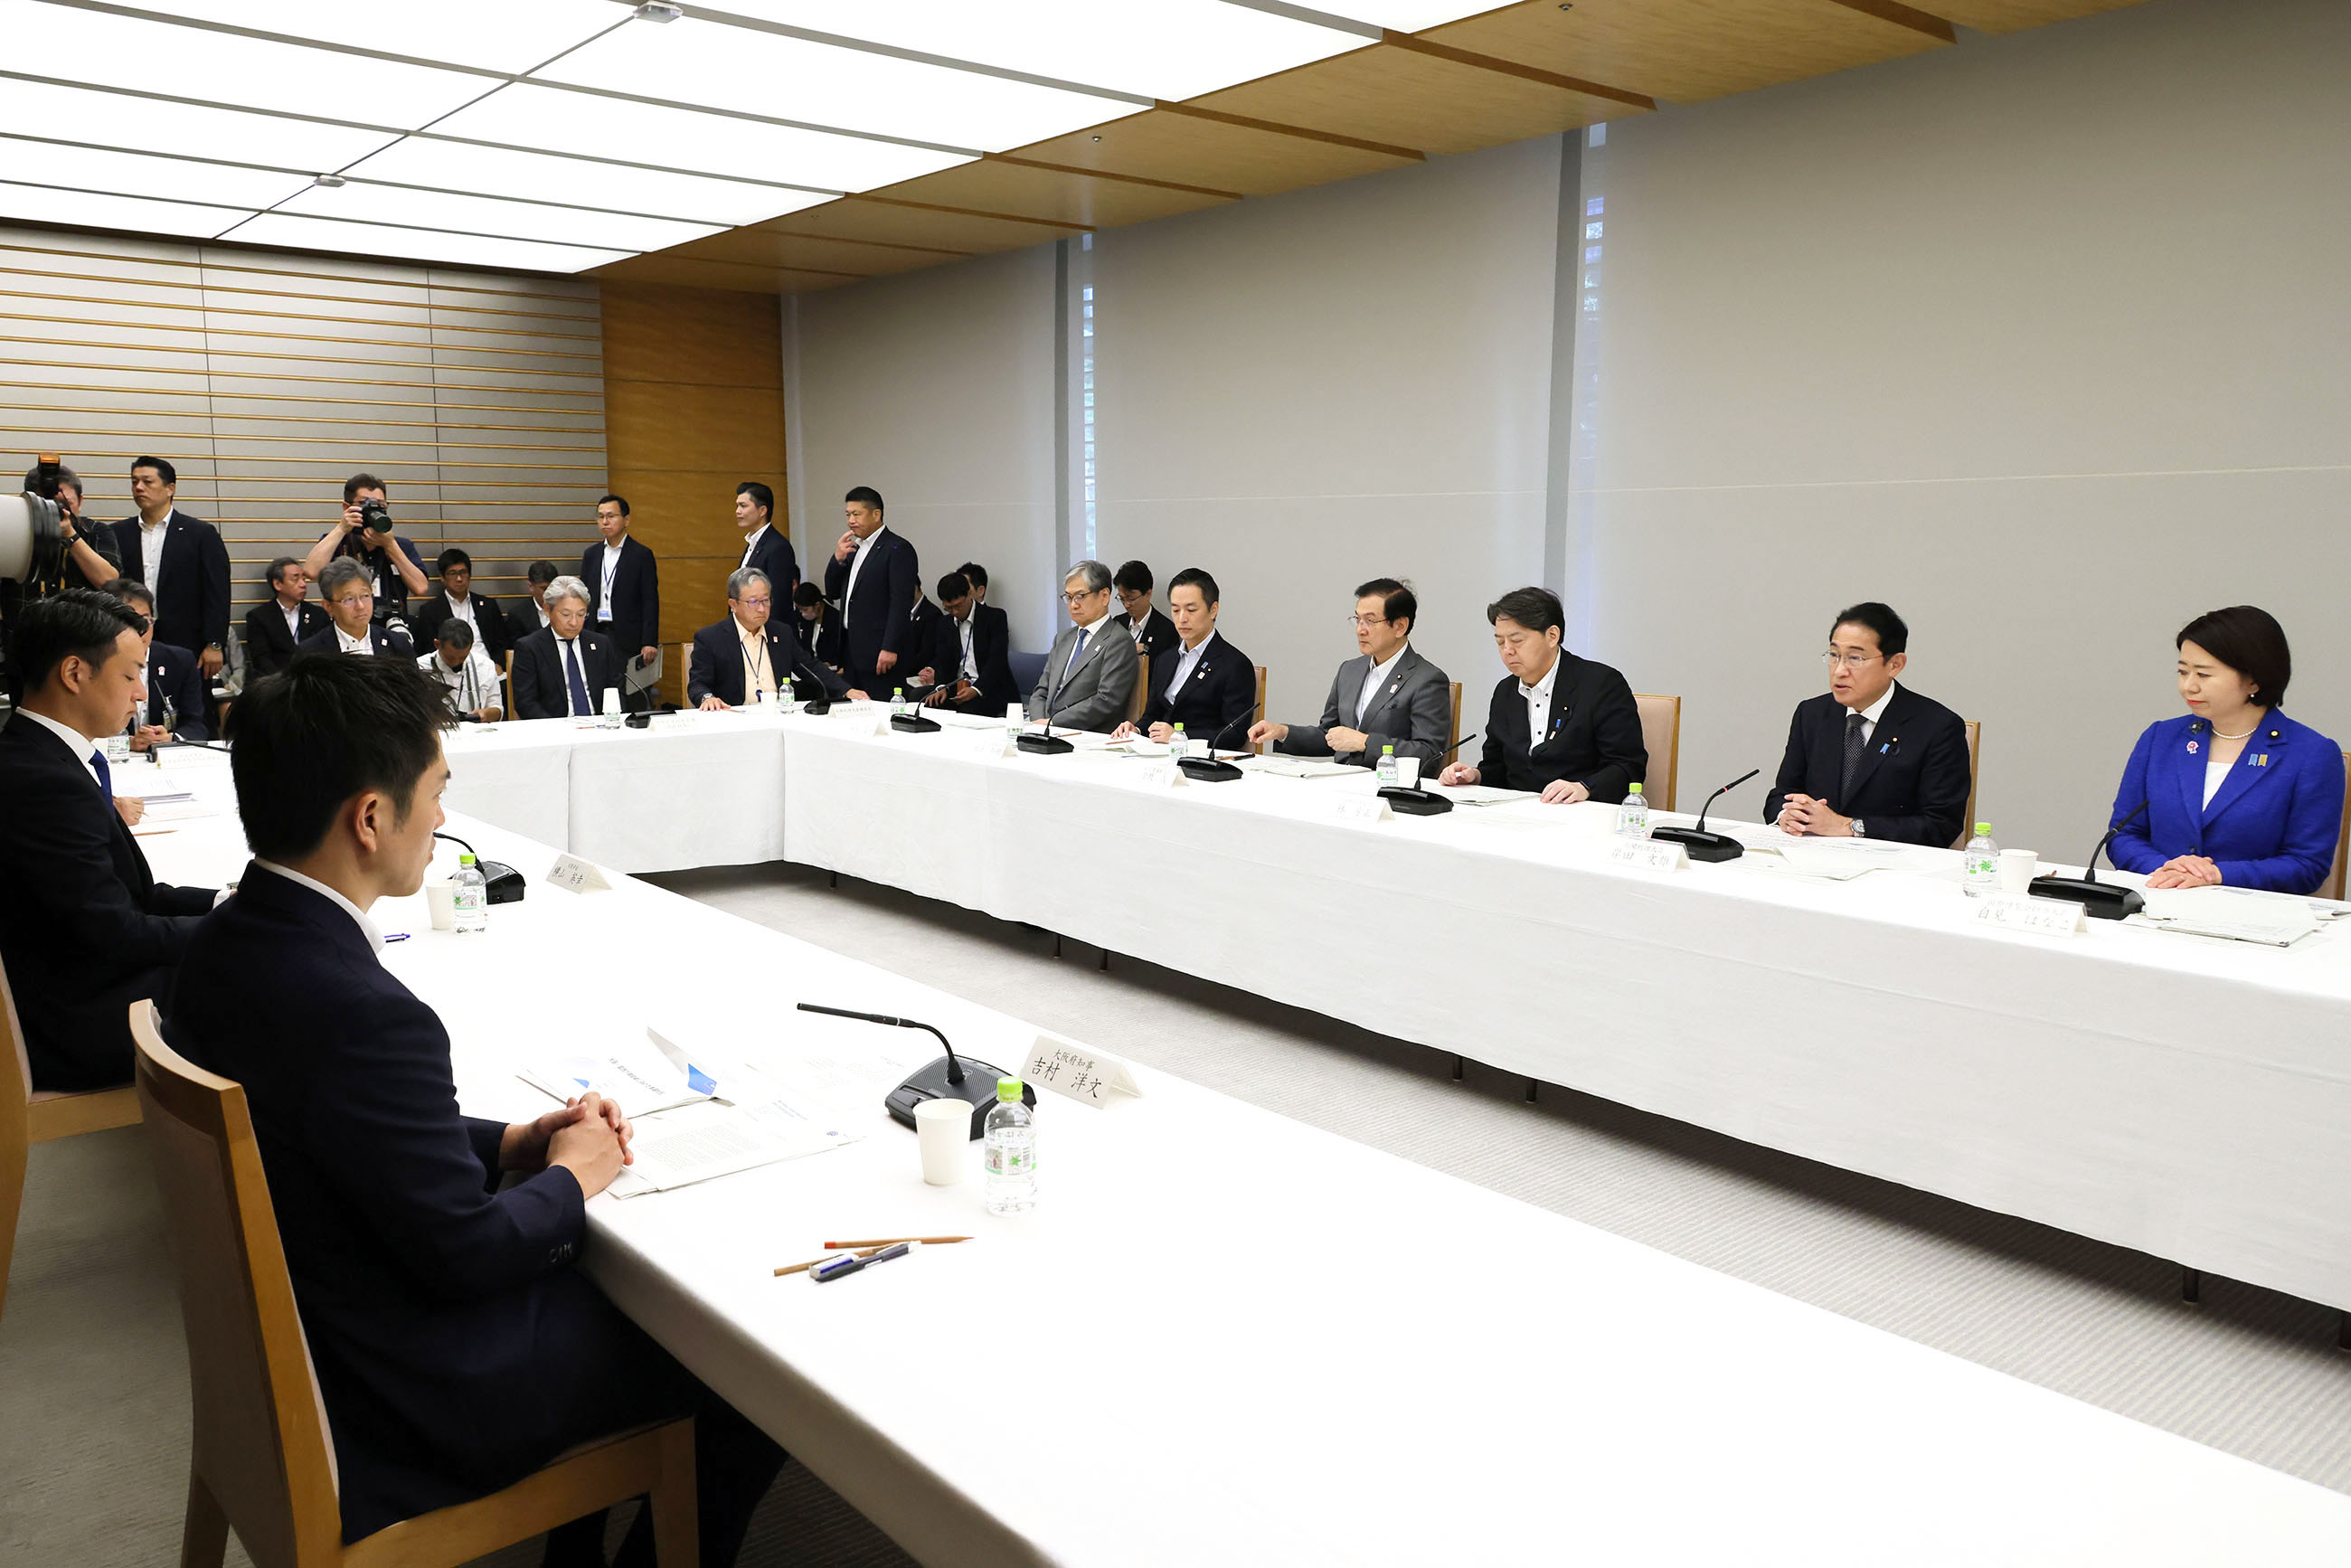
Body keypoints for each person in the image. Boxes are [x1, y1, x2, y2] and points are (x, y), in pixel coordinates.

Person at [165, 655, 786, 1561]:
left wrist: (515, 1140)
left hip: (324, 1337)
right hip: (413, 1391)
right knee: (740, 1358)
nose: (444, 819)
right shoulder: (366, 1015)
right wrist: (575, 1174)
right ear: (371, 818)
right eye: (436, 791)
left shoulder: (226, 941)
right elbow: (466, 1254)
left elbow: (329, 1122)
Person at [0, 590, 215, 1091]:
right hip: (77, 1019)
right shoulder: (42, 781)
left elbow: (134, 896)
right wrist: (237, 928)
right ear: (75, 673)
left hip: (76, 981)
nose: (141, 692)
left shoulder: (44, 756)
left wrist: (228, 902)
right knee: (278, 984)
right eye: (131, 674)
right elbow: (112, 933)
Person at [2105, 605, 2343, 893]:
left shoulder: (2311, 755)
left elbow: (2307, 865)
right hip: (2156, 903)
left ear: (2253, 679)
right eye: (2183, 672)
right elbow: (2123, 836)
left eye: (2203, 675)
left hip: (2249, 919)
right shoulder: (2161, 738)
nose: (2188, 687)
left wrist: (2217, 875)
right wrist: (2166, 870)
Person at [1765, 601, 1972, 846]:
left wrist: (1850, 827)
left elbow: (1941, 825)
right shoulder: (1811, 714)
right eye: (1834, 655)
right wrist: (1787, 815)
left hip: (1892, 871)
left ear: (1895, 664)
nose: (1839, 670)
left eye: (1855, 658)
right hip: (1812, 860)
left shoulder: (1937, 727)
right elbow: (1782, 794)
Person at [1440, 587, 1646, 804]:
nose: (1507, 650)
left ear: (1552, 636)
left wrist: (1584, 787)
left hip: (1581, 814)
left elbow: (1628, 766)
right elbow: (1498, 767)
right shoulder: (1505, 692)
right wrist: (1474, 776)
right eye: (1500, 642)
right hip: (1517, 817)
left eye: (1517, 640)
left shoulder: (1601, 684)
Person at [1251, 578, 1451, 769]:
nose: (1360, 630)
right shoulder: (1349, 670)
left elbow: (1429, 754)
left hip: (1389, 791)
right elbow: (1330, 736)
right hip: (1343, 784)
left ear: (1400, 626)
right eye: (1358, 619)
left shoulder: (1427, 680)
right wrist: (1283, 732)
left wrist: (1365, 742)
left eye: (1370, 621)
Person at [108, 455, 230, 680]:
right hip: (130, 635)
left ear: (170, 488)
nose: (139, 487)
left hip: (186, 640)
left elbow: (218, 592)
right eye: (134, 482)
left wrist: (214, 643)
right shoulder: (117, 533)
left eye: (147, 481)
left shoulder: (200, 534)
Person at [1112, 568, 1255, 748]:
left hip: (1200, 761)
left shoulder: (1235, 665)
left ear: (1213, 610)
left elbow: (1234, 734)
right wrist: (1137, 730)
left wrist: (1180, 736)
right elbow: (1152, 716)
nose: (1182, 619)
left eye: (1191, 610)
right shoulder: (1166, 659)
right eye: (1175, 610)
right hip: (1158, 754)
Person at [688, 567, 845, 711]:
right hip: (734, 717)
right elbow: (698, 684)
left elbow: (811, 667)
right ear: (733, 605)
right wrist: (708, 698)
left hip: (778, 714)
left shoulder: (781, 633)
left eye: (765, 600)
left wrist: (846, 690)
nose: (762, 609)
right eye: (753, 602)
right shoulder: (711, 638)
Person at [300, 473, 430, 631]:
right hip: (347, 630)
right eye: (364, 504)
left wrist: (390, 545)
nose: (373, 510)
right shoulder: (338, 542)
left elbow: (421, 588)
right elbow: (311, 572)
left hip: (393, 629)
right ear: (346, 507)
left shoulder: (401, 545)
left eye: (380, 505)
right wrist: (341, 528)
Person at [822, 486, 918, 694]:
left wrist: (890, 647)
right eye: (848, 514)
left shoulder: (897, 548)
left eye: (857, 514)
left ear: (876, 514)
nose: (850, 520)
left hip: (880, 651)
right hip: (850, 651)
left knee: (881, 711)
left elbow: (900, 602)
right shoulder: (852, 549)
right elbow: (832, 593)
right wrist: (837, 559)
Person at [1027, 560, 1138, 733]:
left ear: (1104, 596)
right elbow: (1042, 690)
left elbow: (1106, 700)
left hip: (1087, 736)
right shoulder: (1063, 638)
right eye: (1068, 597)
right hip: (1045, 731)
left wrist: (1052, 723)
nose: (1073, 605)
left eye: (1080, 596)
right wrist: (1039, 722)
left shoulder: (1118, 640)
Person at [107, 578, 211, 746]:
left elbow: (196, 724)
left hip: (162, 758)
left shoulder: (179, 661)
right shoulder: (94, 664)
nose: (141, 630)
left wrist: (170, 738)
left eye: (146, 620)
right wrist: (127, 742)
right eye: (130, 621)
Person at [581, 494, 660, 711]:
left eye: (610, 516)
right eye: (600, 517)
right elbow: (585, 597)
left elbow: (650, 600)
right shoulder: (591, 555)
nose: (605, 522)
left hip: (628, 636)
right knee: (600, 689)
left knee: (631, 694)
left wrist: (649, 641)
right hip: (596, 631)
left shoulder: (641, 555)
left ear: (626, 520)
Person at [511, 575, 620, 720]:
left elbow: (617, 690)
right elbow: (526, 703)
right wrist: (558, 731)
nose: (574, 622)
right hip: (555, 730)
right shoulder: (529, 648)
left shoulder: (601, 644)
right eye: (566, 614)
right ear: (547, 610)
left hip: (600, 726)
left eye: (581, 614)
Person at [922, 571, 1016, 713]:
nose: (954, 612)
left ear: (969, 595)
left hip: (989, 689)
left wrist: (976, 689)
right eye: (948, 608)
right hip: (957, 688)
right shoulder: (944, 624)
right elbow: (943, 661)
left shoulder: (994, 617)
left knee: (968, 709)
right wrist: (941, 687)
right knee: (923, 700)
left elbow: (997, 661)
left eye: (958, 606)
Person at [410, 548, 518, 665]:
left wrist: (497, 665)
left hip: (488, 667)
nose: (459, 579)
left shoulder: (488, 605)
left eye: (463, 572)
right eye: (452, 573)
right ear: (442, 577)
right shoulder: (430, 610)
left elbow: (502, 643)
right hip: (451, 670)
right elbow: (427, 649)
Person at [301, 559, 415, 660]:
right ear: (328, 606)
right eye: (349, 599)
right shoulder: (310, 653)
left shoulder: (398, 645)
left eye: (365, 596)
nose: (360, 606)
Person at [242, 556, 328, 681]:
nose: (303, 584)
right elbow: (261, 660)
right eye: (296, 579)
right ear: (277, 584)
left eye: (304, 579)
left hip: (314, 683)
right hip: (275, 685)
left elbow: (325, 654)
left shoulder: (318, 614)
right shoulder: (259, 617)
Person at [417, 619, 502, 723]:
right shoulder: (419, 667)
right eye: (450, 658)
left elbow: (497, 709)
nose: (456, 663)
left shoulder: (485, 665)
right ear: (437, 644)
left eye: (462, 658)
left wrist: (486, 714)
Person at [735, 481, 798, 599]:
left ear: (762, 511)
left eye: (743, 506)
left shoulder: (778, 547)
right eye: (737, 506)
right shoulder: (752, 544)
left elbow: (779, 598)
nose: (737, 511)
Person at [1111, 561, 1177, 664]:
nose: (1126, 604)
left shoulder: (1167, 630)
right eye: (1122, 598)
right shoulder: (1118, 622)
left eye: (1131, 598)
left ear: (1148, 593)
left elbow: (1165, 668)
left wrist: (1145, 649)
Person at [793, 581, 845, 671]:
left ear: (817, 605)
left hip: (831, 669)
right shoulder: (803, 619)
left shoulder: (834, 620)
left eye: (805, 609)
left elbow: (838, 653)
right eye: (799, 609)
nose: (801, 613)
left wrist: (828, 663)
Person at [516, 560, 560, 636]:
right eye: (544, 589)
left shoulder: (569, 609)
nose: (550, 593)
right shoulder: (518, 615)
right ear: (530, 586)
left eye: (553, 587)